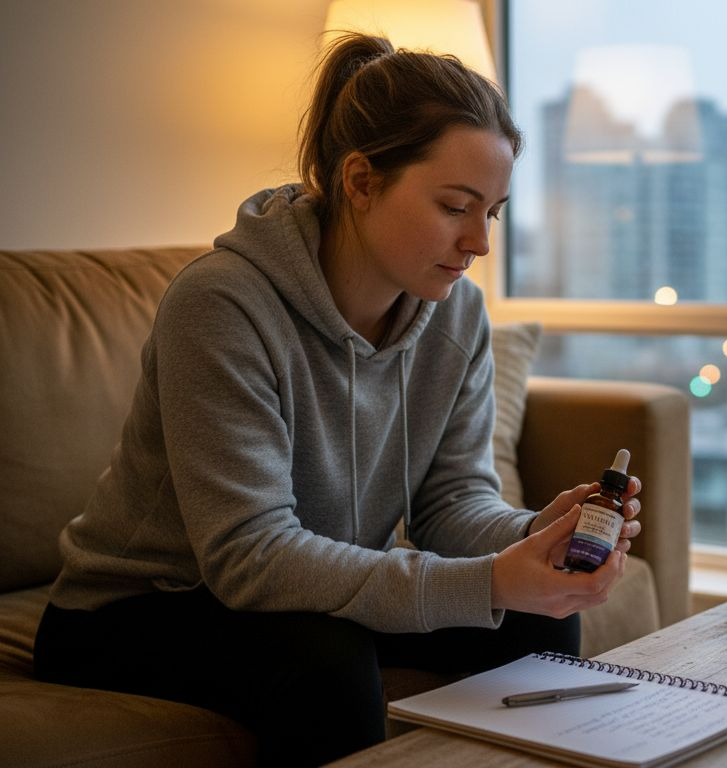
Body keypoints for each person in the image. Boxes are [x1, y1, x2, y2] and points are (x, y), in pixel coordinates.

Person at [32, 32, 641, 767]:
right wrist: (484, 580)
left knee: (536, 626)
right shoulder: (221, 306)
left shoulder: (457, 315)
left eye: (495, 212)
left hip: (292, 585)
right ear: (360, 181)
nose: (479, 241)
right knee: (326, 662)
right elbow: (250, 556)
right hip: (136, 609)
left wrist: (532, 534)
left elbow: (450, 503)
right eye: (456, 205)